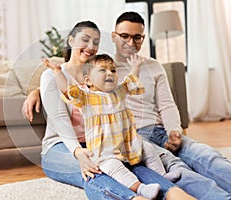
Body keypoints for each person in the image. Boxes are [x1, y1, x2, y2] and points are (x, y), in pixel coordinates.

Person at [25, 20, 196, 200]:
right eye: (85, 39)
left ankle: (173, 193)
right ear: (71, 41)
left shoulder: (102, 77)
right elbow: (60, 119)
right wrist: (78, 152)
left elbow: (126, 87)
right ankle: (133, 198)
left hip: (100, 143)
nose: (91, 46)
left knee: (134, 163)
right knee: (95, 169)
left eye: (96, 42)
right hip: (61, 146)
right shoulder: (53, 75)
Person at [111, 11, 231, 199]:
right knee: (177, 169)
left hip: (160, 130)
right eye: (124, 36)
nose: (131, 43)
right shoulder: (104, 69)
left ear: (143, 38)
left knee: (207, 155)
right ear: (114, 36)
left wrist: (174, 131)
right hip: (134, 138)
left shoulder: (153, 66)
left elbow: (166, 104)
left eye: (137, 37)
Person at [44, 54, 184, 199]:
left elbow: (131, 81)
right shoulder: (86, 98)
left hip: (127, 145)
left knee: (148, 148)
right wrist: (57, 71)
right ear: (88, 80)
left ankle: (162, 176)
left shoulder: (119, 92)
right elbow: (66, 89)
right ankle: (140, 188)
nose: (109, 73)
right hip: (104, 152)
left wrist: (135, 67)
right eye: (102, 70)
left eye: (113, 70)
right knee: (114, 168)